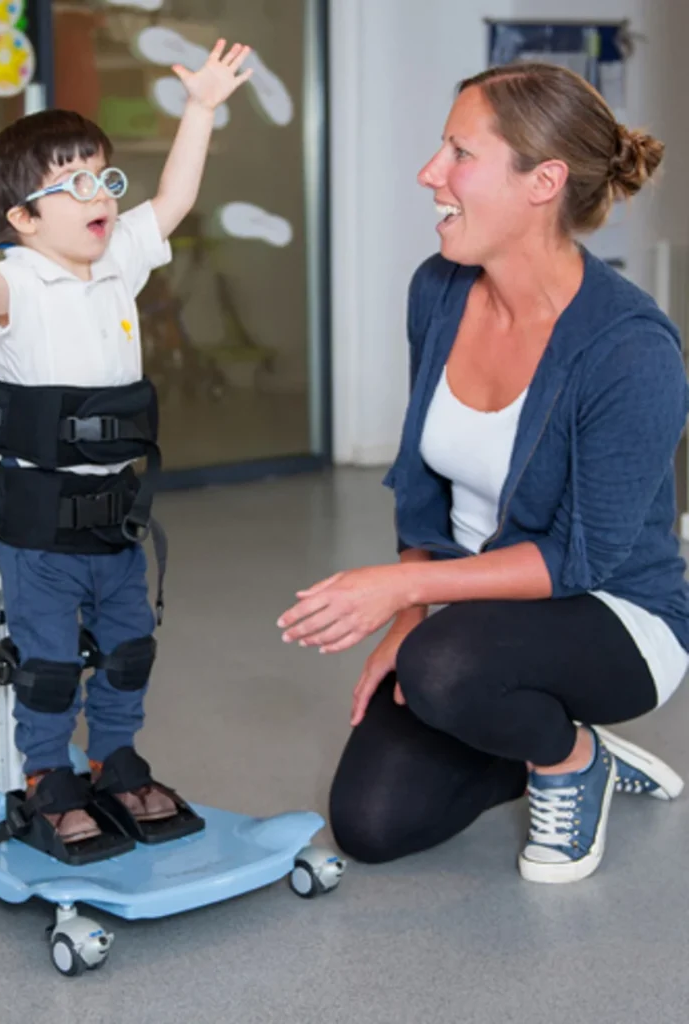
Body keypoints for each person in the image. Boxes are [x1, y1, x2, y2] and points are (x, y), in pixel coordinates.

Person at [278, 63, 689, 884]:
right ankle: (521, 726)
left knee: (444, 666)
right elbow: (422, 487)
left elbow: (586, 558)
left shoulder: (633, 350)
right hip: (471, 623)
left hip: (616, 613)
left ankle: (572, 760)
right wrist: (411, 604)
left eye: (459, 152)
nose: (431, 173)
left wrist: (402, 603)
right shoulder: (438, 291)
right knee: (371, 823)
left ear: (543, 181)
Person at [0, 41, 253, 852]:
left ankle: (116, 761)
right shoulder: (19, 283)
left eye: (103, 177)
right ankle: (46, 774)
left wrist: (202, 108)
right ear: (25, 220)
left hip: (115, 514)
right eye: (72, 185)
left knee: (131, 646)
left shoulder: (118, 263)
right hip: (39, 523)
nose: (99, 195)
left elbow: (172, 196)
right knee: (47, 662)